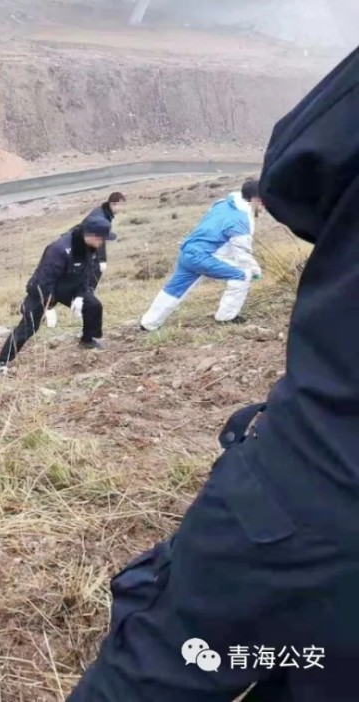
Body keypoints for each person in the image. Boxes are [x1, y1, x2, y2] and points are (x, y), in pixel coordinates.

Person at [67, 46, 359, 702]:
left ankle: (151, 323)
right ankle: (186, 320)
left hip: (312, 475)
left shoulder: (238, 205)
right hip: (315, 489)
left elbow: (299, 172)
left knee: (156, 668)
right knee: (240, 277)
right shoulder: (233, 217)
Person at [140, 180, 264, 331]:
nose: (263, 206)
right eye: (263, 201)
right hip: (204, 257)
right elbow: (242, 254)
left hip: (188, 252)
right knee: (243, 275)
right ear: (255, 199)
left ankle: (148, 324)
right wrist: (255, 270)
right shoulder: (240, 221)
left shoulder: (221, 203)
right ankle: (226, 317)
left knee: (174, 289)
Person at [0, 217, 113, 366]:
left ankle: (87, 340)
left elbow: (85, 273)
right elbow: (44, 280)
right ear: (90, 235)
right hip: (42, 289)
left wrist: (79, 296)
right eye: (102, 238)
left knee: (93, 305)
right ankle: (2, 361)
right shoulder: (58, 249)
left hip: (68, 286)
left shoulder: (89, 246)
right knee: (29, 326)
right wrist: (48, 305)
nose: (103, 243)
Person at [78, 191, 124, 286]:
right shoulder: (101, 217)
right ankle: (87, 292)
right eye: (120, 205)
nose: (121, 208)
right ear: (112, 204)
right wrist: (102, 260)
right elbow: (99, 239)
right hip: (80, 242)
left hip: (83, 241)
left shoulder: (104, 213)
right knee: (94, 268)